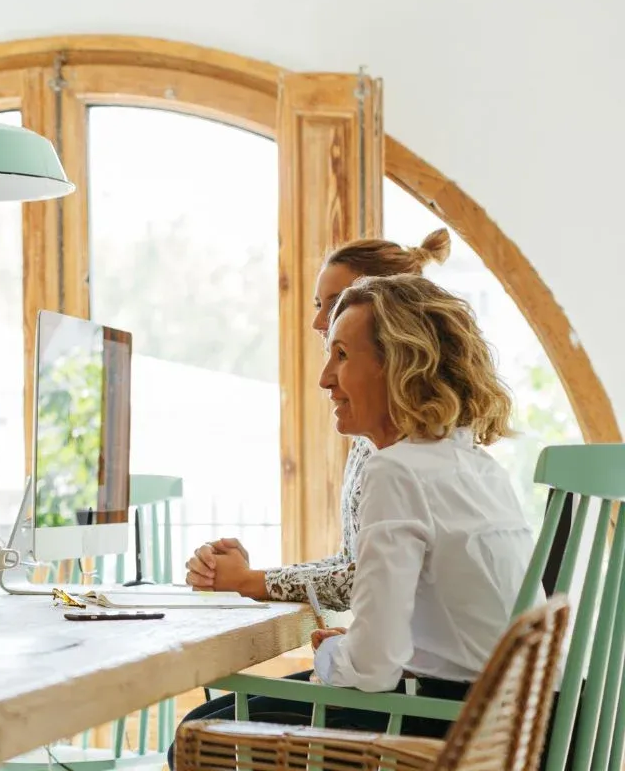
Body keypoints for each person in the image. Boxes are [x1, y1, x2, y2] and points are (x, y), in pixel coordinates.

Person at [178, 273, 533, 741]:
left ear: (400, 365)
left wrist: (335, 657)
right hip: (521, 723)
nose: (326, 379)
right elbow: (453, 625)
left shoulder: (396, 470)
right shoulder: (480, 467)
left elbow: (372, 672)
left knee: (203, 729)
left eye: (341, 356)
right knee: (225, 710)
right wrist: (361, 649)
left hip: (456, 730)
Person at [185, 230, 452, 610]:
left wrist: (251, 581)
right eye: (319, 304)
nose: (317, 322)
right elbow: (352, 567)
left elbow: (360, 580)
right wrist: (251, 577)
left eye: (337, 303)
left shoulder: (409, 452)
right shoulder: (373, 439)